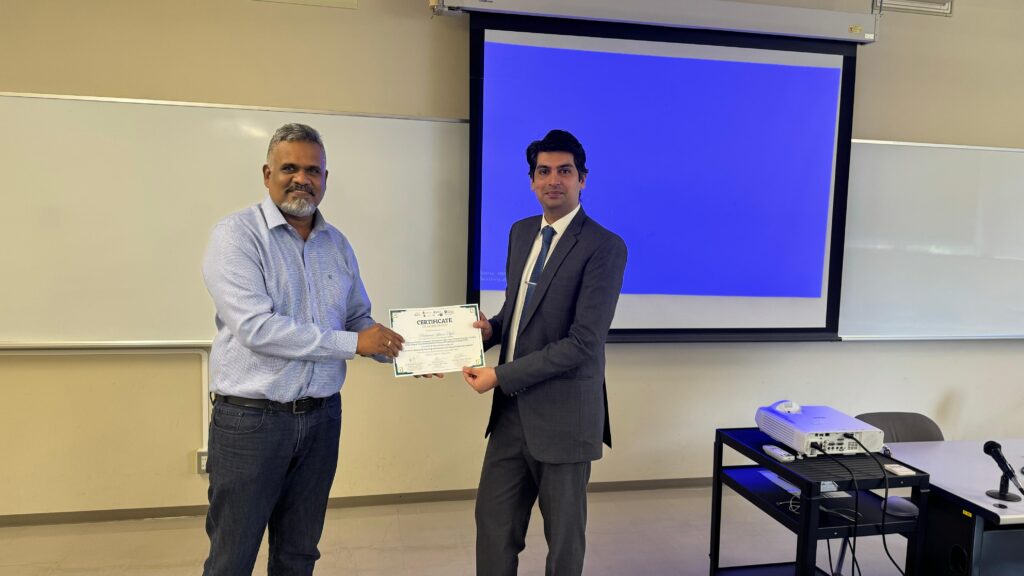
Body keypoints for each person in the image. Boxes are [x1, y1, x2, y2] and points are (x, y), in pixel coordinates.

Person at [201, 123, 403, 576]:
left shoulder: (337, 244)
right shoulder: (236, 236)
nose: (302, 179)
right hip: (251, 422)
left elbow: (357, 317)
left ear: (325, 179)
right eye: (289, 168)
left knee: (299, 553)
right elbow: (257, 329)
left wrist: (401, 351)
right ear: (267, 174)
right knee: (232, 557)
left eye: (313, 170)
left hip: (321, 419)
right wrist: (355, 343)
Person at [463, 129, 628, 575]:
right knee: (493, 526)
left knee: (564, 541)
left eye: (565, 171)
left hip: (565, 419)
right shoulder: (521, 233)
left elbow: (583, 343)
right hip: (510, 416)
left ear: (582, 179)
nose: (553, 180)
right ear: (532, 180)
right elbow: (518, 310)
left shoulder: (604, 246)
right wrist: (490, 331)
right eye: (543, 171)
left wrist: (500, 375)